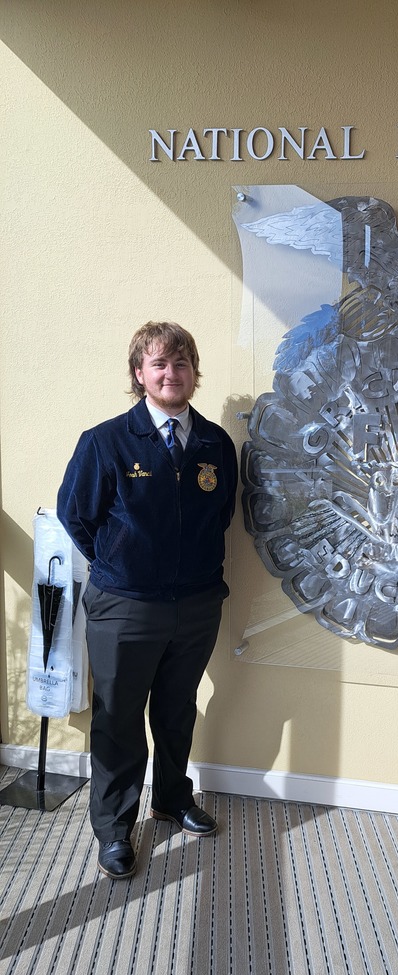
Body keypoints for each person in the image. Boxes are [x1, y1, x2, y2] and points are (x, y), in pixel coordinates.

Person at [57, 322, 238, 880]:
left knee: (176, 709)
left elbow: (221, 516)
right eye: (159, 364)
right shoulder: (106, 441)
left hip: (197, 603)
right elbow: (76, 515)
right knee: (118, 718)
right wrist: (122, 563)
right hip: (125, 607)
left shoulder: (214, 444)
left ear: (193, 372)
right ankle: (115, 829)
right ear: (140, 374)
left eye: (181, 363)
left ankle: (171, 799)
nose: (171, 373)